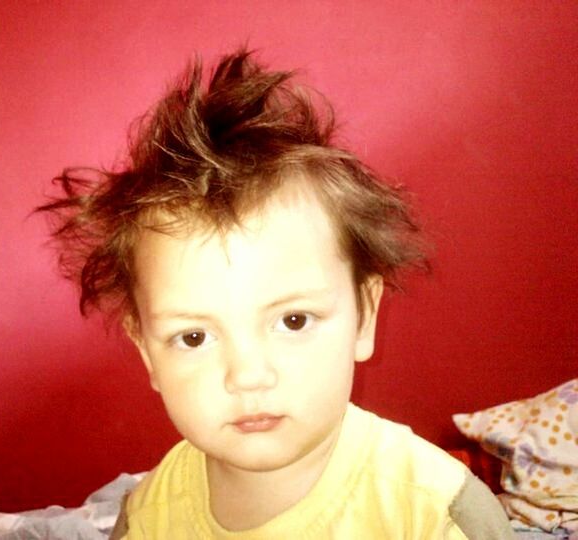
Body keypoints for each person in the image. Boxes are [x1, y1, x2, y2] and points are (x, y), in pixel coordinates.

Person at [39, 49, 512, 538]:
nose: (247, 377)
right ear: (147, 353)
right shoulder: (149, 514)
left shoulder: (433, 510)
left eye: (293, 321)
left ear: (363, 316)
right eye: (195, 337)